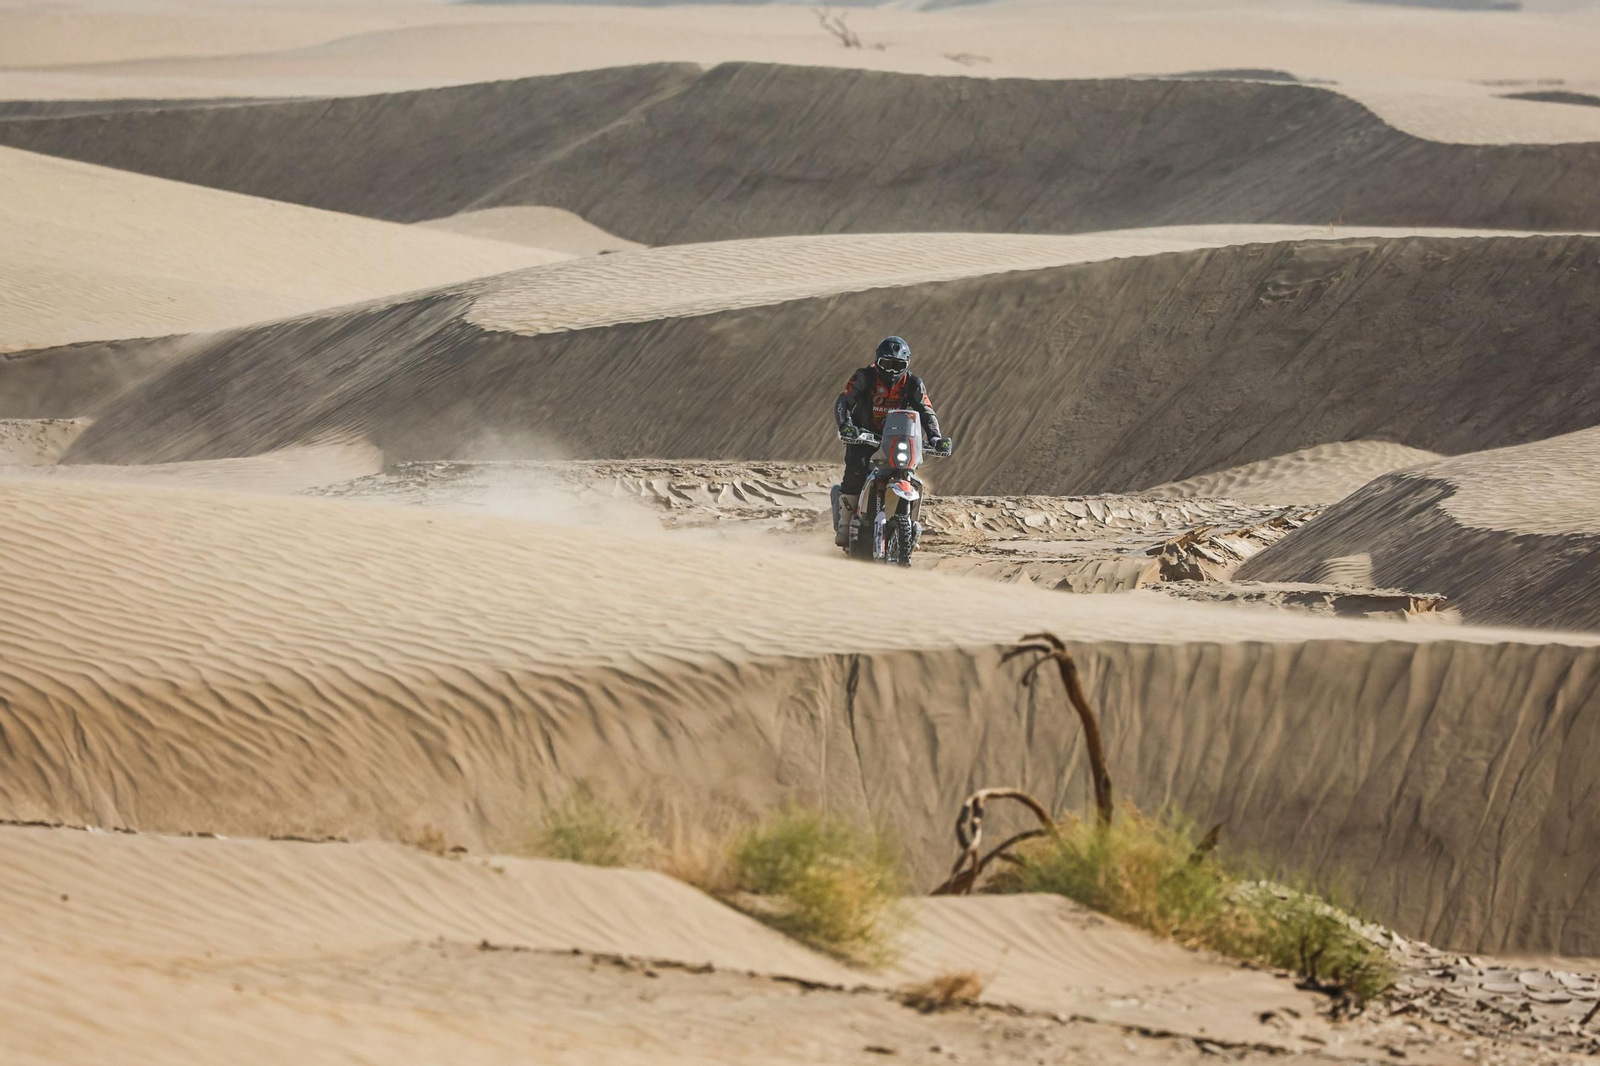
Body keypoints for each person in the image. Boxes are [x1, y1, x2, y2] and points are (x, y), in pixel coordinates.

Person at [833, 335, 949, 547]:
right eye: (887, 364)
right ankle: (846, 525)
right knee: (855, 473)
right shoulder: (864, 376)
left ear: (907, 364)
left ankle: (910, 527)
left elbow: (926, 410)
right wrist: (846, 426)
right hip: (863, 438)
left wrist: (935, 437)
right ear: (877, 361)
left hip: (897, 439)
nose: (893, 371)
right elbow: (844, 401)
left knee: (908, 475)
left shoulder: (913, 383)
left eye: (899, 365)